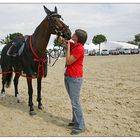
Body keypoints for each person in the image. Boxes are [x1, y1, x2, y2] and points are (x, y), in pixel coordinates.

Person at [62, 29, 87, 135]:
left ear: (78, 37)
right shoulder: (75, 45)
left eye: (74, 34)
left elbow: (68, 61)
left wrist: (67, 48)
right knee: (73, 100)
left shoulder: (79, 48)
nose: (72, 34)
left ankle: (81, 125)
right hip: (69, 76)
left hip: (74, 78)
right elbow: (63, 41)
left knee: (75, 102)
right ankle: (74, 120)